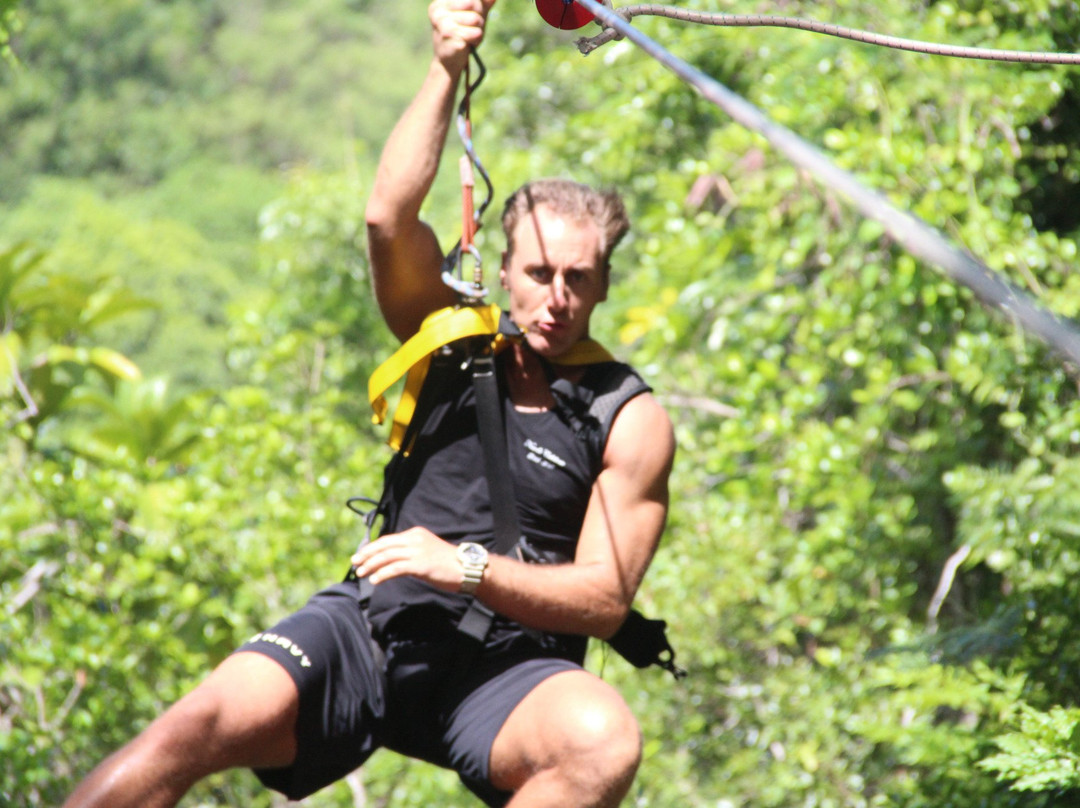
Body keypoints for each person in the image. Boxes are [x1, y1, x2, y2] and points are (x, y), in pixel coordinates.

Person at [61, 0, 674, 805]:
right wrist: (445, 67)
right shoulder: (450, 338)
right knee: (196, 723)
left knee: (603, 741)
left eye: (578, 280)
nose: (556, 299)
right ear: (502, 266)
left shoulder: (623, 415)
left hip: (510, 671)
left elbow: (602, 598)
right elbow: (388, 218)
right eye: (538, 274)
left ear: (601, 286)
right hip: (372, 628)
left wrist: (463, 568)